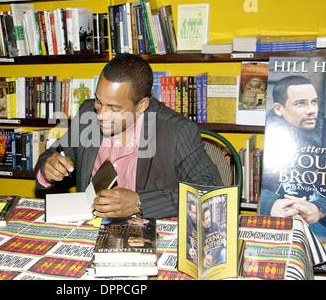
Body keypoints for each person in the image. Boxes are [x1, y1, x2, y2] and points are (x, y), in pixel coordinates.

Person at [35, 53, 222, 219]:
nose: (101, 115)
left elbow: (210, 189)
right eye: (99, 102)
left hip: (146, 234)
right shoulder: (88, 114)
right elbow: (53, 155)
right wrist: (47, 168)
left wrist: (139, 202)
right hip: (90, 227)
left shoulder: (176, 131)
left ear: (142, 105)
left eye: (114, 108)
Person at [260, 76, 326, 237]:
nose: (311, 110)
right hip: (275, 227)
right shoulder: (266, 134)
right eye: (300, 103)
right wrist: (271, 204)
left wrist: (321, 208)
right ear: (278, 109)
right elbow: (259, 189)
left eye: (314, 102)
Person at [186, 198, 198, 263]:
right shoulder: (185, 222)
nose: (197, 216)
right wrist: (189, 249)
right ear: (190, 213)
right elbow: (181, 239)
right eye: (194, 213)